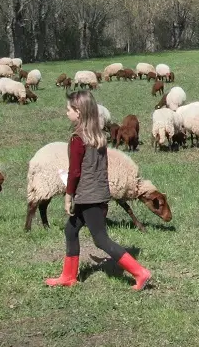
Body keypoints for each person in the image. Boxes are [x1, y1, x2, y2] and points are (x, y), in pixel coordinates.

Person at [45, 90, 152, 290]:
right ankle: (68, 276)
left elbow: (75, 171)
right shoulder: (99, 137)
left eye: (68, 109)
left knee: (101, 240)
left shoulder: (78, 139)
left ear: (78, 112)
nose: (66, 112)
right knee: (71, 230)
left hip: (87, 196)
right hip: (98, 192)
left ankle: (140, 272)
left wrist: (68, 195)